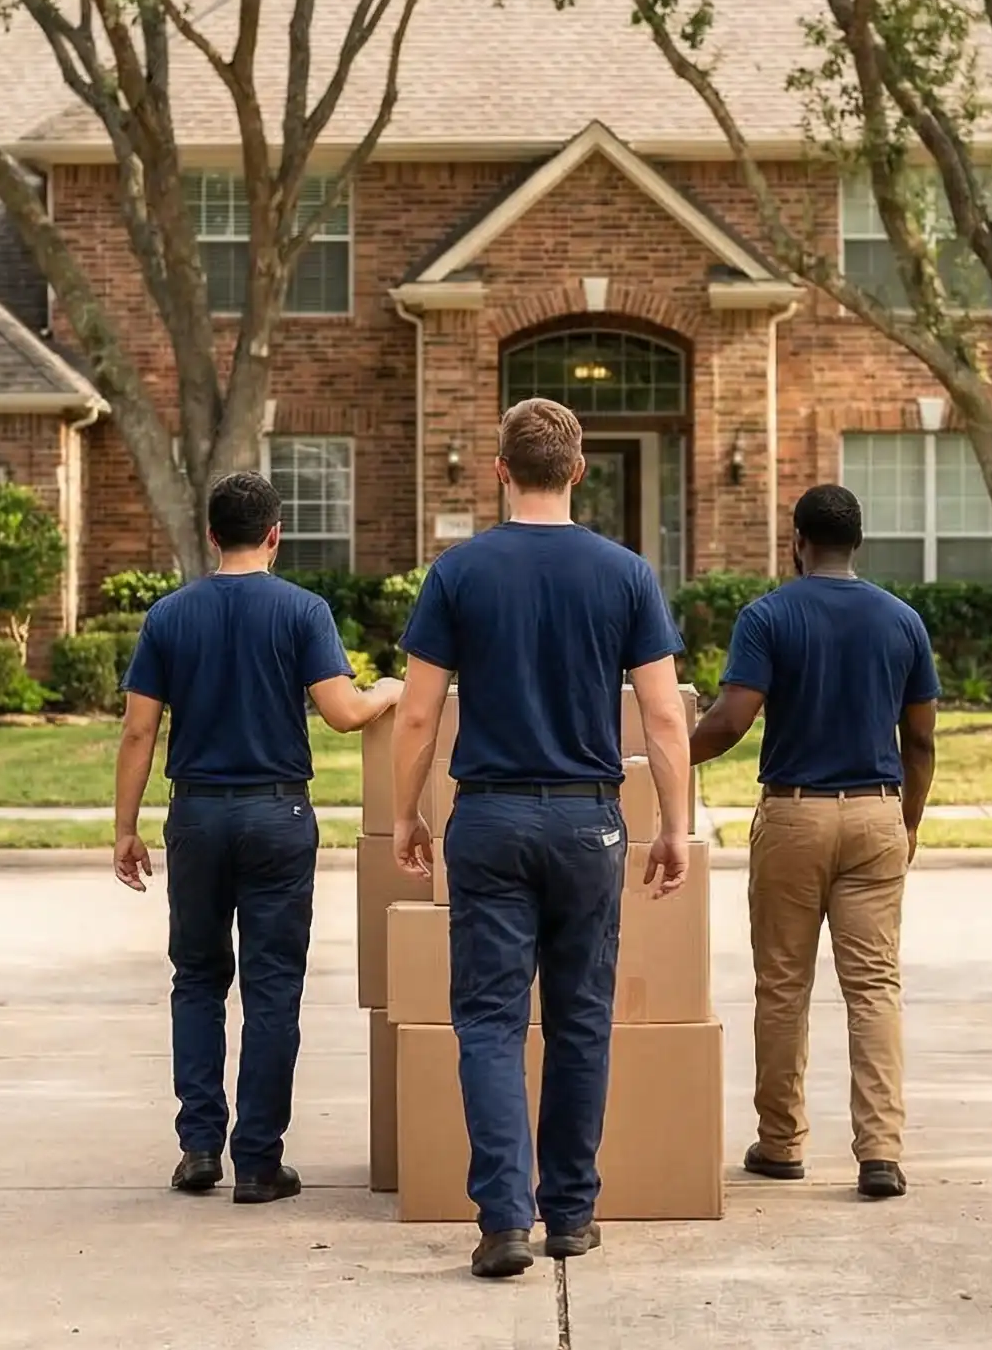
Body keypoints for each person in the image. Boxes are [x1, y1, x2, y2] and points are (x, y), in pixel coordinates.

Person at [390, 398, 691, 1280]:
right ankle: (568, 1213)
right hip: (589, 820)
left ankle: (503, 1220)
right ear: (580, 469)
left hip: (487, 816)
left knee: (487, 1020)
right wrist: (672, 824)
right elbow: (666, 716)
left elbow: (415, 715)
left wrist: (408, 813)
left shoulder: (459, 572)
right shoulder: (625, 573)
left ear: (499, 471)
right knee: (580, 1020)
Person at [114, 471, 402, 1205]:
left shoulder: (169, 617)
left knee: (198, 978)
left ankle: (200, 1146)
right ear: (275, 533)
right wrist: (390, 693)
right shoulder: (303, 611)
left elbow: (140, 730)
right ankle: (259, 1160)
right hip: (278, 817)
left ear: (212, 535)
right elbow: (342, 713)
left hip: (198, 817)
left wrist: (125, 827)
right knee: (274, 987)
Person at [689, 484, 936, 1200]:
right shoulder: (902, 622)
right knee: (874, 986)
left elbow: (732, 722)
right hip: (877, 814)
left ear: (797, 540)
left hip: (795, 815)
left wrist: (664, 755)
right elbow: (919, 738)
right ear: (856, 542)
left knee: (783, 985)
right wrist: (908, 819)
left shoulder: (769, 616)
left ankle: (781, 1141)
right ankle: (881, 1153)